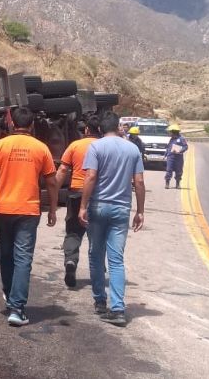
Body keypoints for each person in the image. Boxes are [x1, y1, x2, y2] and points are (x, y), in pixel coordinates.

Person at [0, 107, 58, 327]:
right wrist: (53, 209)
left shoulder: (0, 145)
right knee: (23, 257)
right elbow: (52, 182)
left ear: (12, 124)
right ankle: (17, 309)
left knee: (6, 255)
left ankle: (9, 296)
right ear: (31, 125)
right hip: (28, 210)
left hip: (4, 209)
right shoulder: (41, 148)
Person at [79, 111, 145, 327]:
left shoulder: (96, 147)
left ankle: (100, 301)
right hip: (121, 209)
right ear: (118, 127)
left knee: (96, 255)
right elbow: (139, 182)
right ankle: (117, 309)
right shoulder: (132, 149)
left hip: (98, 206)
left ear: (100, 129)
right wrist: (140, 211)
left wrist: (83, 206)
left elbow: (90, 176)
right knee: (116, 260)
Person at [55, 115, 101, 288]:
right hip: (98, 195)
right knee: (97, 233)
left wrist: (53, 192)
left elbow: (62, 170)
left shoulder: (75, 145)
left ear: (87, 129)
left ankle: (71, 260)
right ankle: (98, 268)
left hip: (76, 193)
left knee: (73, 232)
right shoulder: (104, 147)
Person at [164, 124, 188, 189]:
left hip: (178, 158)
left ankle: (177, 184)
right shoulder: (171, 139)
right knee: (169, 170)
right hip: (170, 157)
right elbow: (169, 147)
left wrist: (180, 150)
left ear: (174, 131)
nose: (169, 133)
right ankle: (167, 183)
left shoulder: (181, 138)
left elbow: (185, 146)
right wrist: (165, 154)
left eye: (170, 132)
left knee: (179, 171)